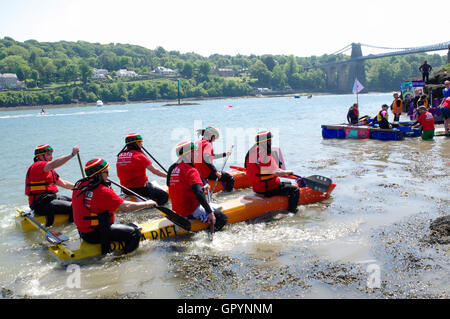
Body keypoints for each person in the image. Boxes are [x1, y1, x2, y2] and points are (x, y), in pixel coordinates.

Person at [72, 158, 156, 255]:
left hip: (83, 233)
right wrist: (146, 204)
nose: (108, 174)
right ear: (98, 174)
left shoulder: (79, 185)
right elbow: (126, 207)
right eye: (106, 172)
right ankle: (123, 258)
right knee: (134, 232)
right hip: (96, 234)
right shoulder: (102, 191)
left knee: (117, 222)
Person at [167, 141, 228, 231]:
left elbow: (181, 187)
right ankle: (207, 235)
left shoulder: (173, 168)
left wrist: (202, 188)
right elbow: (199, 193)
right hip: (190, 210)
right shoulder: (191, 170)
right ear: (187, 155)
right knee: (222, 218)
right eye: (194, 152)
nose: (197, 154)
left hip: (177, 209)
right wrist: (210, 212)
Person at [244, 131, 300, 213]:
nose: (272, 142)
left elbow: (263, 169)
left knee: (288, 183)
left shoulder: (252, 152)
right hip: (269, 189)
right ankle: (292, 211)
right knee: (295, 190)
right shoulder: (266, 154)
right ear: (267, 142)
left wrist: (281, 171)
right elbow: (277, 172)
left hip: (257, 188)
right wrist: (289, 172)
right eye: (270, 140)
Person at [25, 144, 79, 226]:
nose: (51, 157)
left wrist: (79, 187)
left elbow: (63, 183)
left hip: (49, 199)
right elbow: (54, 164)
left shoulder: (49, 170)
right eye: (48, 154)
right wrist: (72, 155)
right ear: (39, 156)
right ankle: (70, 227)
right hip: (40, 204)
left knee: (75, 201)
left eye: (51, 154)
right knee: (74, 207)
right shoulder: (37, 166)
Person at [116, 133, 168, 206]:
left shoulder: (120, 155)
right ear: (135, 143)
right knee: (164, 195)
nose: (141, 144)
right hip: (138, 189)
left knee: (149, 183)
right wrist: (169, 176)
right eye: (140, 142)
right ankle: (155, 211)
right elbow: (155, 171)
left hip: (125, 189)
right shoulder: (139, 156)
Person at [194, 126, 234, 192]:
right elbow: (206, 158)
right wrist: (216, 172)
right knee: (230, 178)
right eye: (214, 138)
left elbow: (211, 156)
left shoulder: (197, 143)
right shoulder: (208, 144)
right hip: (206, 173)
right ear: (211, 136)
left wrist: (225, 154)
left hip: (198, 173)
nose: (214, 140)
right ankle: (226, 195)